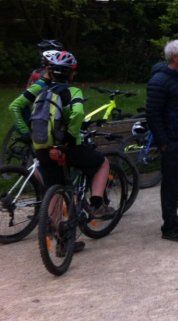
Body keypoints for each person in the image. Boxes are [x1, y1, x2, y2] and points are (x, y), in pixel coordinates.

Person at [9, 51, 114, 254]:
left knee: (54, 190)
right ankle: (96, 204)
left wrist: (26, 133)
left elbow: (17, 107)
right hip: (66, 148)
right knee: (101, 163)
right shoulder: (72, 91)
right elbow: (77, 113)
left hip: (41, 148)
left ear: (49, 71)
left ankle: (60, 239)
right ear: (72, 74)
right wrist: (70, 136)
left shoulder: (39, 90)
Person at [146, 39, 178, 242]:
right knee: (171, 184)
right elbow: (153, 114)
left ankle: (174, 219)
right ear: (175, 58)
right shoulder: (160, 81)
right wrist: (163, 141)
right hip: (172, 141)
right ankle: (168, 226)